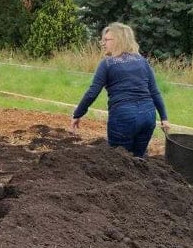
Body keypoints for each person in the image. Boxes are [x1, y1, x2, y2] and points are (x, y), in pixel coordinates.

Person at [70, 22, 170, 157]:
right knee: (139, 158)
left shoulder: (107, 64)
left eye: (107, 40)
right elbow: (154, 91)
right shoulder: (142, 61)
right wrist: (164, 118)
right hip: (148, 116)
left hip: (123, 117)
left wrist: (77, 114)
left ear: (118, 40)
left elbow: (92, 92)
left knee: (118, 160)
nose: (103, 43)